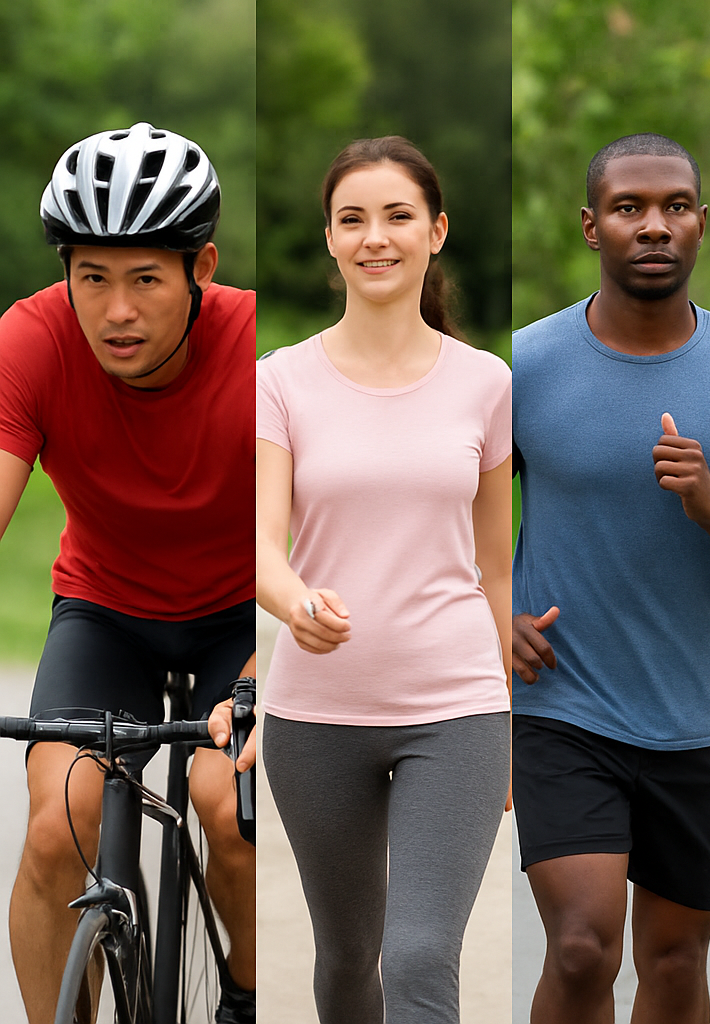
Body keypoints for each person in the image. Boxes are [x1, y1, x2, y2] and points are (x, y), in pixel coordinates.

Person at [0, 122, 256, 1024]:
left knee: (229, 807)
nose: (116, 311)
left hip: (244, 617)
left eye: (145, 278)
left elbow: (324, 538)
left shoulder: (258, 354)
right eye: (92, 278)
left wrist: (279, 677)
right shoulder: (31, 340)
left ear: (201, 268)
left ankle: (247, 998)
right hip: (106, 611)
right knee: (55, 826)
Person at [511, 133, 710, 1024]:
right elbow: (453, 519)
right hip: (562, 708)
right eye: (630, 208)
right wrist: (491, 610)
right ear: (592, 226)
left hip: (698, 716)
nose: (654, 226)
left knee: (674, 960)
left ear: (702, 223)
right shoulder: (524, 366)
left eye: (675, 207)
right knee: (582, 946)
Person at [256, 135, 511, 1024]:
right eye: (352, 219)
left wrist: (516, 716)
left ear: (435, 232)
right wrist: (295, 602)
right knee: (346, 961)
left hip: (458, 709)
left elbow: (497, 566)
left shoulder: (486, 383)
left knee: (419, 956)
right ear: (329, 238)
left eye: (398, 216)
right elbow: (261, 546)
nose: (376, 237)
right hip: (316, 716)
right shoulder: (280, 380)